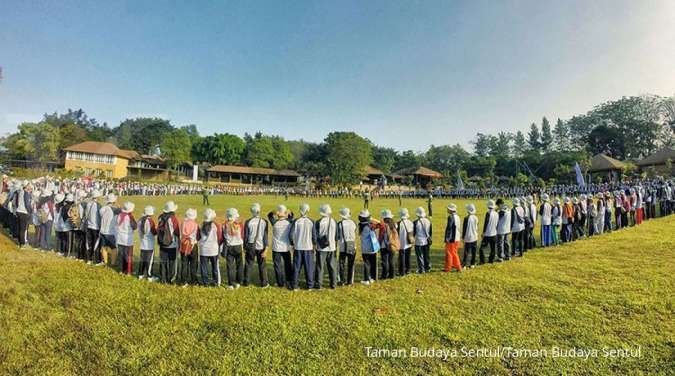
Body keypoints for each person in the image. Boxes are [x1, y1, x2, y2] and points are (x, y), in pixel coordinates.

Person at [268, 205, 294, 289]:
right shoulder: (289, 222)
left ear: (278, 214)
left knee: (277, 265)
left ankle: (280, 282)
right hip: (286, 247)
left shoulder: (274, 222)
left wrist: (274, 211)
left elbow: (269, 215)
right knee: (288, 264)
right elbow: (291, 216)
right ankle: (289, 280)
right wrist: (288, 212)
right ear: (285, 213)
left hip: (276, 248)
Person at [243, 203, 269, 288]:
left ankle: (246, 282)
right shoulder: (264, 221)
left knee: (248, 264)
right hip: (261, 246)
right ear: (259, 211)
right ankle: (264, 283)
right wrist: (266, 248)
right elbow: (265, 236)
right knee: (262, 265)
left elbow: (245, 236)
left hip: (250, 246)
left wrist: (244, 247)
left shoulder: (248, 222)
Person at [291, 203, 315, 290]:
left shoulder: (296, 221)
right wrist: (314, 245)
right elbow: (314, 236)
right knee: (308, 267)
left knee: (296, 267)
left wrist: (292, 244)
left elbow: (291, 235)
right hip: (308, 247)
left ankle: (295, 285)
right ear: (308, 210)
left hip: (298, 247)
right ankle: (310, 285)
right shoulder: (312, 221)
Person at [315, 204, 338, 288]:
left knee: (320, 266)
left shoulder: (318, 222)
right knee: (332, 267)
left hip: (321, 248)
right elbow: (337, 236)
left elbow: (316, 235)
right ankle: (333, 284)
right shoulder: (334, 221)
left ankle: (319, 284)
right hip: (332, 247)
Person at [198, 208, 223, 287]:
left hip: (204, 250)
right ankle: (215, 282)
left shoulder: (200, 225)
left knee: (204, 267)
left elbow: (198, 237)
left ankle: (205, 282)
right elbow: (219, 238)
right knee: (215, 267)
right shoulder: (216, 225)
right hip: (213, 250)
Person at [157, 201, 180, 283]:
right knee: (172, 261)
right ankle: (171, 278)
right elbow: (177, 231)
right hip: (172, 243)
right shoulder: (173, 219)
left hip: (162, 243)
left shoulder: (160, 217)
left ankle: (163, 278)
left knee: (163, 262)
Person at [223, 208, 244, 289]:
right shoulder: (239, 224)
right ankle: (238, 282)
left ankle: (231, 284)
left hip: (229, 247)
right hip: (238, 246)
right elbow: (242, 235)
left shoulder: (225, 225)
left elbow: (223, 237)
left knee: (230, 266)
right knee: (239, 265)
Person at [358, 209, 379, 285]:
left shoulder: (361, 225)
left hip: (365, 248)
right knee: (373, 263)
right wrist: (372, 219)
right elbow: (380, 223)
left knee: (366, 264)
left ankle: (366, 279)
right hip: (373, 247)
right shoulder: (371, 225)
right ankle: (372, 278)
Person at [116, 201, 137, 275]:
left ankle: (121, 270)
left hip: (120, 237)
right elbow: (135, 226)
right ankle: (128, 271)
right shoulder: (130, 217)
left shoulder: (120, 215)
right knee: (128, 256)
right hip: (128, 239)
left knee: (121, 255)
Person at [337, 207, 357, 285]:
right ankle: (350, 281)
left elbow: (338, 236)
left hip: (342, 246)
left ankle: (342, 280)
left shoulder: (339, 224)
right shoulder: (353, 222)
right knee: (351, 264)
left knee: (341, 264)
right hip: (352, 245)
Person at [179, 208, 199, 286]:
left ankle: (183, 281)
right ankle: (193, 280)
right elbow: (197, 236)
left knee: (184, 263)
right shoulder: (195, 224)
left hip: (184, 244)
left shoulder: (183, 223)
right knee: (193, 263)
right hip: (192, 245)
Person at [99, 193, 119, 268]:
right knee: (113, 248)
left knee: (104, 247)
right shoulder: (115, 210)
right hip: (111, 231)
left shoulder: (102, 208)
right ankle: (113, 263)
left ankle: (106, 262)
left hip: (103, 230)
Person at [137, 206, 157, 281]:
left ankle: (140, 275)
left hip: (142, 243)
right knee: (149, 261)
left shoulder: (140, 220)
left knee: (142, 260)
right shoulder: (150, 221)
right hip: (149, 244)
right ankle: (149, 276)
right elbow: (154, 232)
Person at [378, 209, 398, 280]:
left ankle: (384, 275)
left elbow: (380, 236)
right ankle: (392, 275)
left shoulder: (382, 225)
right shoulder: (394, 224)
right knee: (391, 260)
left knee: (384, 261)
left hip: (384, 245)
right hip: (392, 245)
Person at [84, 190, 102, 265]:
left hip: (89, 226)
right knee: (96, 244)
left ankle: (89, 259)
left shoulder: (88, 204)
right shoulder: (99, 205)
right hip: (96, 226)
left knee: (89, 243)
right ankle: (96, 260)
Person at [443, 203, 462, 272]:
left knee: (449, 253)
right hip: (457, 237)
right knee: (454, 252)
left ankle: (448, 268)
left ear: (450, 210)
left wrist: (446, 238)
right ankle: (457, 266)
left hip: (451, 238)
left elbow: (449, 228)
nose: (447, 209)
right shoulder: (458, 216)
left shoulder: (450, 217)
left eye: (448, 209)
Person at [413, 207, 432, 273]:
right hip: (426, 240)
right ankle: (428, 267)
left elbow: (414, 233)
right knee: (426, 254)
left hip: (418, 241)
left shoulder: (415, 222)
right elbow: (430, 232)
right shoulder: (428, 221)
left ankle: (421, 269)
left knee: (420, 256)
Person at [15, 182, 33, 248]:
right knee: (23, 229)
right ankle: (22, 243)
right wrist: (30, 211)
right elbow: (27, 204)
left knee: (20, 228)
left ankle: (19, 242)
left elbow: (17, 201)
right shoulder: (26, 193)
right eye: (28, 185)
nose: (29, 187)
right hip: (23, 212)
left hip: (19, 211)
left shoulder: (20, 192)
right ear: (26, 186)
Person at [397, 208, 414, 276]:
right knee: (408, 257)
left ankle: (402, 272)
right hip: (409, 242)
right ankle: (408, 269)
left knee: (401, 258)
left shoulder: (399, 223)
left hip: (401, 243)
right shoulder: (410, 222)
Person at [462, 204, 479, 268]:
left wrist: (463, 237)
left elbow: (464, 228)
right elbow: (477, 227)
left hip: (468, 237)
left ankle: (464, 265)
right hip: (475, 236)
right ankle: (472, 263)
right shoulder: (476, 217)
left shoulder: (466, 218)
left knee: (466, 251)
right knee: (473, 251)